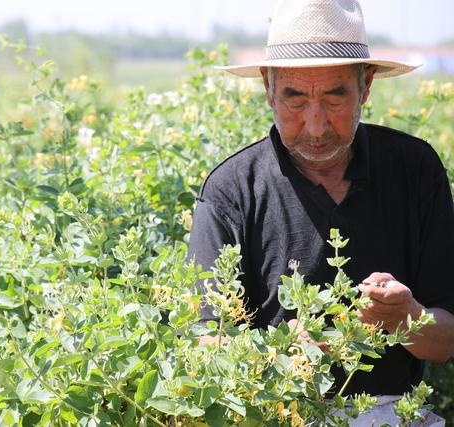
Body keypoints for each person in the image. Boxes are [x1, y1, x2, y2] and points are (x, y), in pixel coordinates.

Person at [188, 0, 454, 420]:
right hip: (272, 412)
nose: (315, 126)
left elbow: (446, 343)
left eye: (334, 97)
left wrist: (405, 317)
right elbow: (204, 351)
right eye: (294, 98)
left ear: (365, 85)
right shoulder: (231, 189)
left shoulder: (414, 168)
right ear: (268, 87)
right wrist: (293, 343)